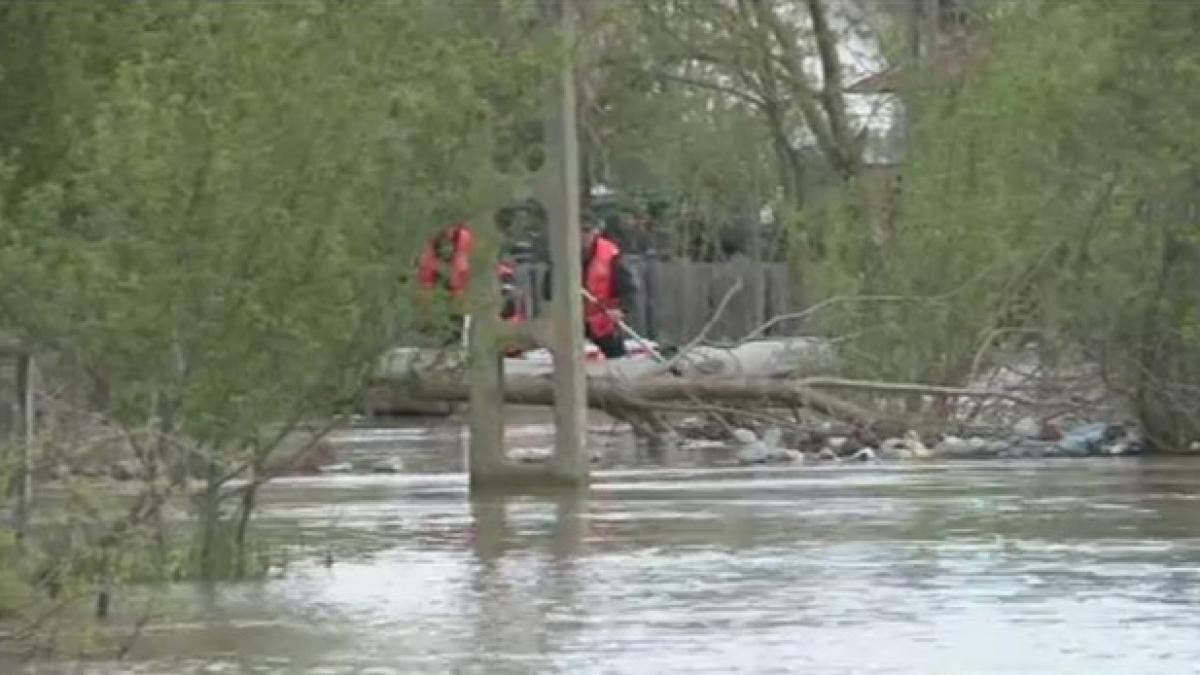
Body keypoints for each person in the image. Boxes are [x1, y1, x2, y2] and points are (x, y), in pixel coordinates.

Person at [417, 221, 526, 343]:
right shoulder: (439, 248)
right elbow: (428, 276)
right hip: (451, 297)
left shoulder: (465, 245)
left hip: (462, 299)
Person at [544, 219, 637, 359]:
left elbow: (629, 289)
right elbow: (547, 291)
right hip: (572, 319)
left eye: (586, 231)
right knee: (562, 354)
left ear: (596, 232)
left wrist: (621, 309)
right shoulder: (561, 256)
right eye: (578, 231)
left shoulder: (612, 256)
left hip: (602, 318)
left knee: (616, 356)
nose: (582, 236)